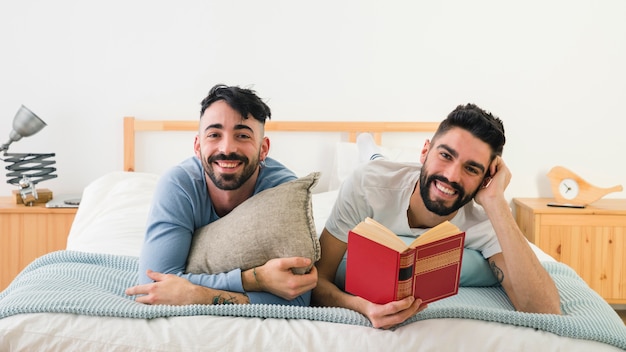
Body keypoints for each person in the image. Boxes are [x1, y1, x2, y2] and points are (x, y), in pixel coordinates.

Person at [311, 103, 562, 329]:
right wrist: (363, 307)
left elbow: (547, 312)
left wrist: (496, 203)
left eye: (471, 168)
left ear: (486, 178)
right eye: (445, 155)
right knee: (376, 162)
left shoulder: (486, 218)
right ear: (424, 151)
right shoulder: (367, 184)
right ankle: (370, 150)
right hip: (381, 172)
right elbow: (319, 280)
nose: (452, 176)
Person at [125, 84, 317, 306]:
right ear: (197, 146)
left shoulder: (285, 194)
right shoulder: (179, 185)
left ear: (263, 149)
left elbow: (299, 296)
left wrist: (197, 295)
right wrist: (256, 279)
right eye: (214, 134)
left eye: (243, 135)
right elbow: (151, 287)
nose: (227, 148)